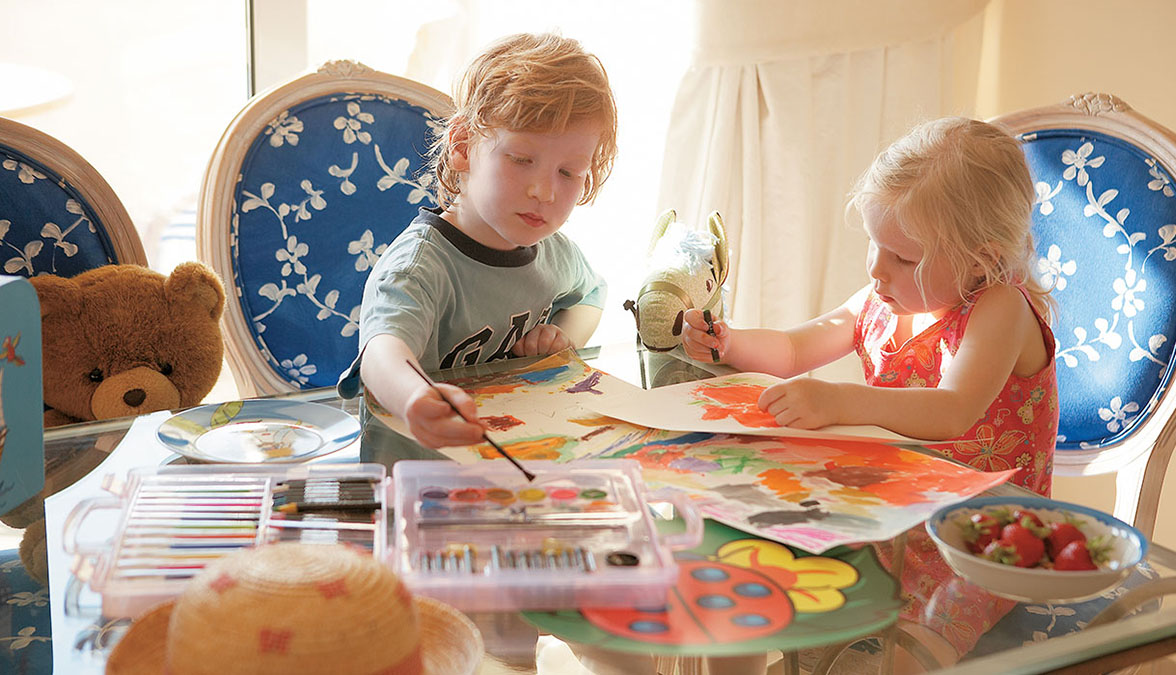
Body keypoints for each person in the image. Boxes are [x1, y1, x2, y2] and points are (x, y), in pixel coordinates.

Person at [681, 116, 1058, 658]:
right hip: (891, 510)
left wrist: (838, 399)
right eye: (875, 244)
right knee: (741, 577)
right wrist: (729, 342)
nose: (878, 269)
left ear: (985, 259)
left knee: (910, 652)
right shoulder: (888, 295)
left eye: (904, 257)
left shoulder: (1001, 308)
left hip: (986, 537)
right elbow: (793, 350)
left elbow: (953, 410)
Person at [337, 33, 616, 450]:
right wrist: (416, 399)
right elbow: (381, 353)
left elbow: (591, 294)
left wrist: (563, 338)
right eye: (522, 160)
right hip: (416, 464)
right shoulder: (419, 268)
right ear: (464, 147)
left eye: (569, 172)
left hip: (515, 460)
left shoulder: (554, 252)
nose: (545, 191)